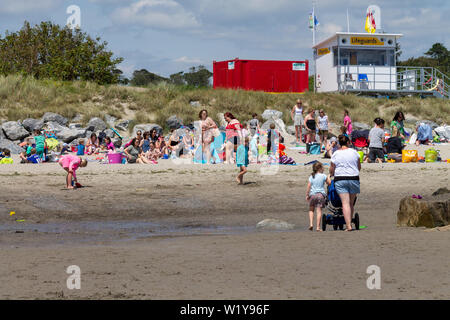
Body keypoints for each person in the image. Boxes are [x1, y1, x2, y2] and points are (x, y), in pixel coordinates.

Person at [329, 135, 361, 231]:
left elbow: (332, 169)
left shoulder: (336, 154)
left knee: (345, 203)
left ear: (339, 143)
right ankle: (349, 222)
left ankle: (348, 226)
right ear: (348, 142)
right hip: (354, 178)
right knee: (351, 203)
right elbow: (359, 166)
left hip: (340, 178)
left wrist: (331, 175)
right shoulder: (354, 152)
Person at [305, 162, 331, 231]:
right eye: (322, 167)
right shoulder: (323, 176)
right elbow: (329, 183)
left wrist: (307, 195)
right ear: (320, 168)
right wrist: (328, 177)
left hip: (312, 195)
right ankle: (318, 227)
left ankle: (311, 224)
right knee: (319, 211)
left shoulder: (311, 176)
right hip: (320, 195)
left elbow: (308, 186)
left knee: (311, 210)